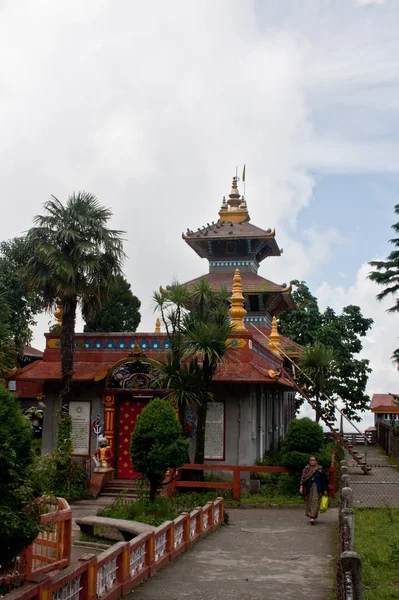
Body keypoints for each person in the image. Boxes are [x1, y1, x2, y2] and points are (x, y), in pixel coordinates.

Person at [299, 455, 328, 524]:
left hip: (317, 488)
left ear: (316, 461)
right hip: (309, 487)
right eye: (311, 460)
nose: (312, 461)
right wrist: (301, 487)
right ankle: (310, 515)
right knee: (309, 501)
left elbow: (324, 480)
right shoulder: (306, 469)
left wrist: (325, 489)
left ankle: (313, 517)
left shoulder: (319, 469)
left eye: (313, 460)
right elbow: (303, 479)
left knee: (315, 501)